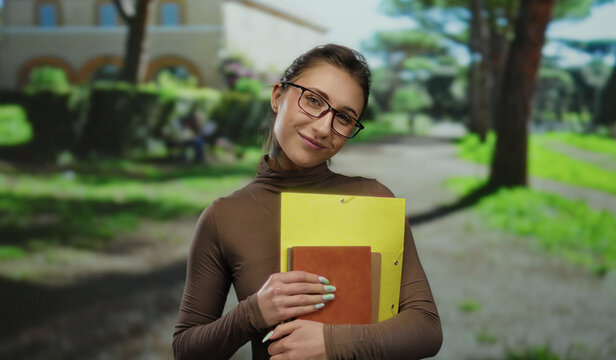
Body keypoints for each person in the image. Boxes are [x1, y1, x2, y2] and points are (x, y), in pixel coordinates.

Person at [173, 44, 442, 360]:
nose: (322, 127)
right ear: (277, 97)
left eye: (343, 117)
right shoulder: (224, 217)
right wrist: (252, 314)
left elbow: (426, 328)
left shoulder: (374, 199)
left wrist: (333, 343)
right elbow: (186, 350)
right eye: (313, 100)